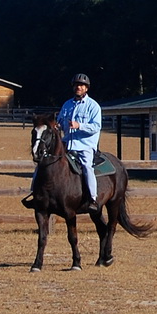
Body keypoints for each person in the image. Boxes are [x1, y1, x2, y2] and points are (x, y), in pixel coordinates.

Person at [57, 73, 102, 213]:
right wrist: (55, 126)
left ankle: (93, 198)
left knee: (87, 167)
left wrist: (79, 125)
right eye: (76, 85)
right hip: (66, 144)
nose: (79, 87)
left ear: (86, 88)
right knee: (46, 161)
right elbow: (60, 122)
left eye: (81, 85)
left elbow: (96, 127)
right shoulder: (67, 104)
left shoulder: (93, 106)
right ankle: (36, 192)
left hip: (84, 145)